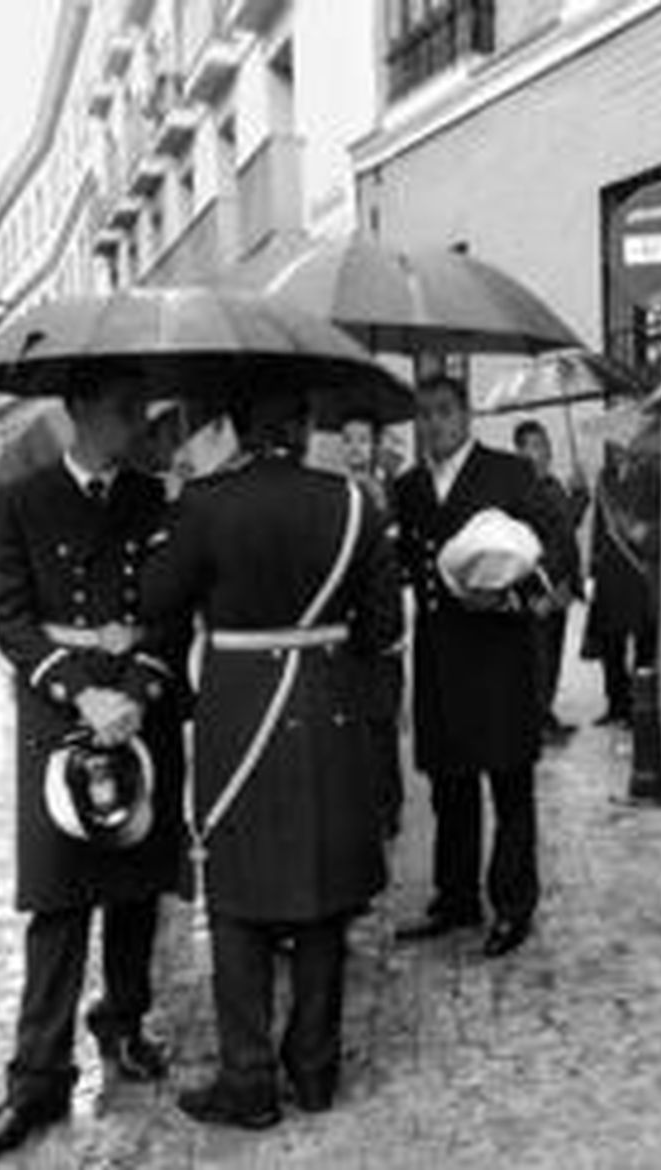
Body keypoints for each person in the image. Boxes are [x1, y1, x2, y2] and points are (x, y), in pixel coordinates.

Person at [140, 389, 400, 1128]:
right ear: (302, 425)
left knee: (237, 891)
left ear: (237, 427)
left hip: (240, 707)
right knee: (322, 886)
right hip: (328, 707)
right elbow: (381, 626)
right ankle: (314, 1071)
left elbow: (159, 599)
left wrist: (176, 510)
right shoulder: (355, 503)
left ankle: (248, 1079)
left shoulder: (205, 503)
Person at [0, 379, 188, 1165]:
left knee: (134, 885)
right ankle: (37, 1080)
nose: (139, 419)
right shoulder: (22, 499)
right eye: (127, 408)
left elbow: (171, 609)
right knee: (58, 904)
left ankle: (123, 1025)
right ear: (83, 412)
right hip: (60, 720)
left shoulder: (155, 498)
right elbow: (9, 616)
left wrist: (134, 691)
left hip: (136, 711)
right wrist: (80, 689)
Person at [392, 375, 576, 955]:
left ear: (466, 414)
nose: (433, 424)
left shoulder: (509, 473)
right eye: (422, 414)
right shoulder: (409, 487)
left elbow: (559, 545)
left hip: (499, 651)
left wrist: (516, 598)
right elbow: (400, 563)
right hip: (440, 652)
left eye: (444, 412)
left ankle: (513, 905)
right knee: (450, 784)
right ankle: (456, 897)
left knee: (509, 783)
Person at [339, 410, 404, 838]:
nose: (355, 448)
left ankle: (387, 806)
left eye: (363, 439)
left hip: (384, 622)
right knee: (353, 719)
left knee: (382, 720)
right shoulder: (335, 493)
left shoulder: (392, 493)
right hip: (345, 625)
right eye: (348, 440)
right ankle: (358, 802)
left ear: (376, 444)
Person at [512, 419, 588, 742]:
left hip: (562, 586)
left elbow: (565, 528)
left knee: (554, 655)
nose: (540, 452)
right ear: (520, 452)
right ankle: (535, 721)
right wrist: (534, 591)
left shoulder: (553, 485)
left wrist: (580, 496)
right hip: (541, 589)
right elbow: (522, 545)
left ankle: (546, 714)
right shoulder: (520, 492)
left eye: (543, 445)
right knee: (537, 659)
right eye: (532, 446)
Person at [585, 442, 656, 727]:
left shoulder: (649, 475)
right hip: (610, 572)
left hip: (639, 568)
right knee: (610, 644)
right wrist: (592, 566)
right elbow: (599, 527)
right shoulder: (604, 477)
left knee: (643, 644)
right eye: (612, 445)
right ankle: (616, 704)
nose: (618, 449)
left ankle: (640, 707)